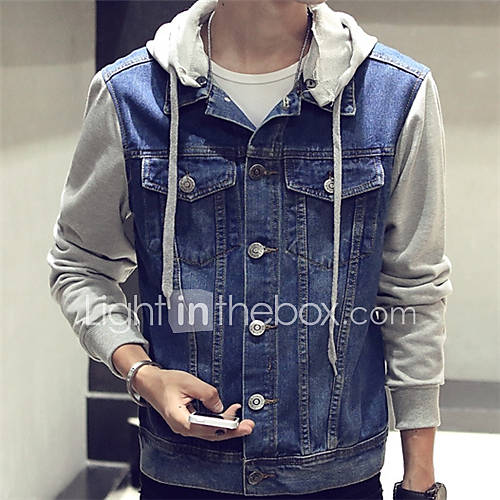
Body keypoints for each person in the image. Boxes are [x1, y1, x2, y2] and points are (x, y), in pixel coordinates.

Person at [47, 0, 452, 498]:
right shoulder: (130, 96)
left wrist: (420, 479)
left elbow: (414, 288)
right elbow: (79, 265)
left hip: (336, 475)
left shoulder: (396, 95)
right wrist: (141, 373)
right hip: (182, 473)